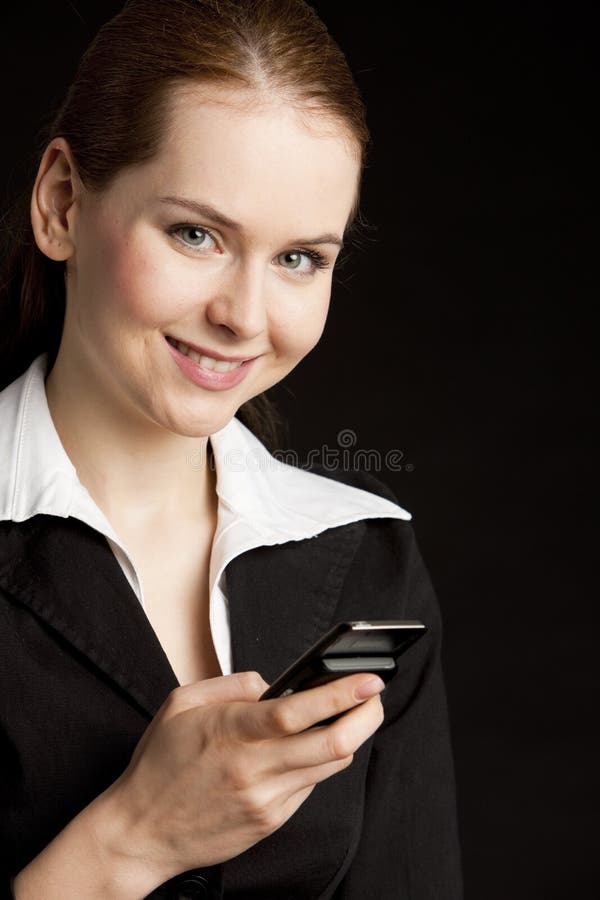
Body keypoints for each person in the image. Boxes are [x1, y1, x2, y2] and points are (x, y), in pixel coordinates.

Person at [0, 1, 463, 897]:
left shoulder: (369, 559)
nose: (245, 318)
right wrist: (130, 841)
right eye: (195, 234)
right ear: (62, 203)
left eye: (299, 259)